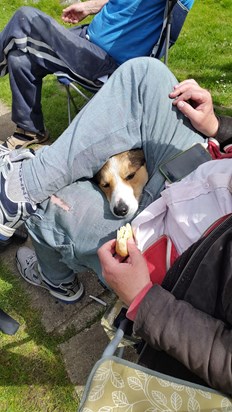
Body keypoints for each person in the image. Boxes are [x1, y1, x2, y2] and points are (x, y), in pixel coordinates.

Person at [0, 56, 232, 392]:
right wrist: (218, 129)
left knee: (51, 203)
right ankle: (21, 185)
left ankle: (57, 278)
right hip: (208, 177)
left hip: (184, 265)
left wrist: (146, 300)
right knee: (145, 74)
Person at [0, 0, 194, 149]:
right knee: (20, 56)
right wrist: (90, 6)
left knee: (25, 18)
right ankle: (30, 130)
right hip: (85, 39)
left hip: (107, 66)